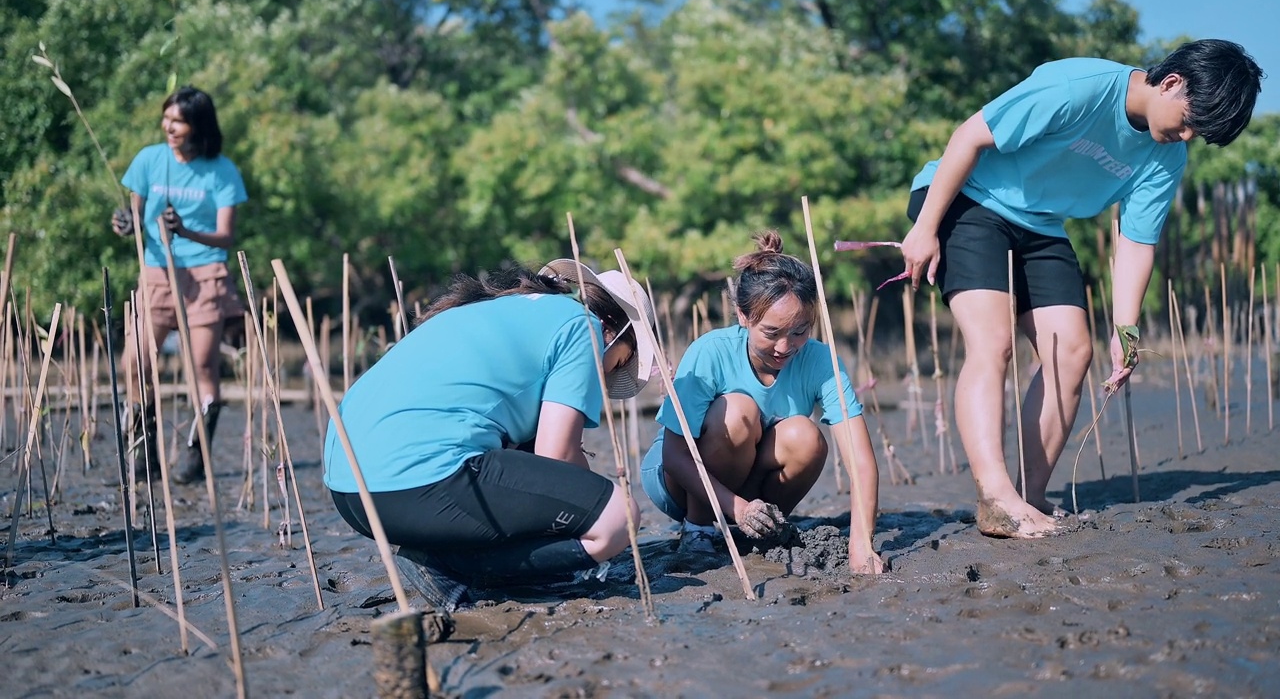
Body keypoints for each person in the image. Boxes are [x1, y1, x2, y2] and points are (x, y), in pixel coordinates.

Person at [900, 39, 1263, 538]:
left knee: (1072, 351)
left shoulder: (1167, 155)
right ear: (1173, 82)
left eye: (1197, 133)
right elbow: (968, 138)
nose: (1186, 135)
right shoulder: (1079, 88)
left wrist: (1126, 329)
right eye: (1188, 120)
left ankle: (1027, 496)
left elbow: (1136, 242)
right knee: (993, 342)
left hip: (1040, 223)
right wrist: (925, 229)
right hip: (966, 198)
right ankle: (996, 497)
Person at [324, 260, 658, 616]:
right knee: (617, 519)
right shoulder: (585, 327)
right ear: (615, 335)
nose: (609, 377)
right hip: (420, 481)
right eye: (621, 364)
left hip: (349, 490)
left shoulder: (494, 307)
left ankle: (457, 560)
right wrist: (589, 507)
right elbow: (556, 455)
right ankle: (447, 565)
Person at [641, 230, 884, 574]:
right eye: (771, 333)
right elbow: (675, 455)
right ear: (743, 316)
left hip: (749, 479)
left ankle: (758, 528)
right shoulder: (712, 351)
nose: (785, 347)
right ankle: (700, 529)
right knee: (739, 411)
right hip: (677, 479)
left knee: (806, 436)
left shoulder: (820, 361)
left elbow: (860, 459)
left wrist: (861, 545)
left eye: (800, 331)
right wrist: (736, 507)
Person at [112, 86, 247, 485]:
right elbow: (134, 215)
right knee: (135, 363)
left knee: (202, 365)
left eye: (178, 121)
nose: (168, 126)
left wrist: (186, 230)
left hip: (205, 276)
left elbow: (226, 236)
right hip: (156, 272)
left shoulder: (222, 170)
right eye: (166, 118)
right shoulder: (149, 160)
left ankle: (195, 454)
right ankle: (144, 451)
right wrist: (126, 223)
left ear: (198, 126)